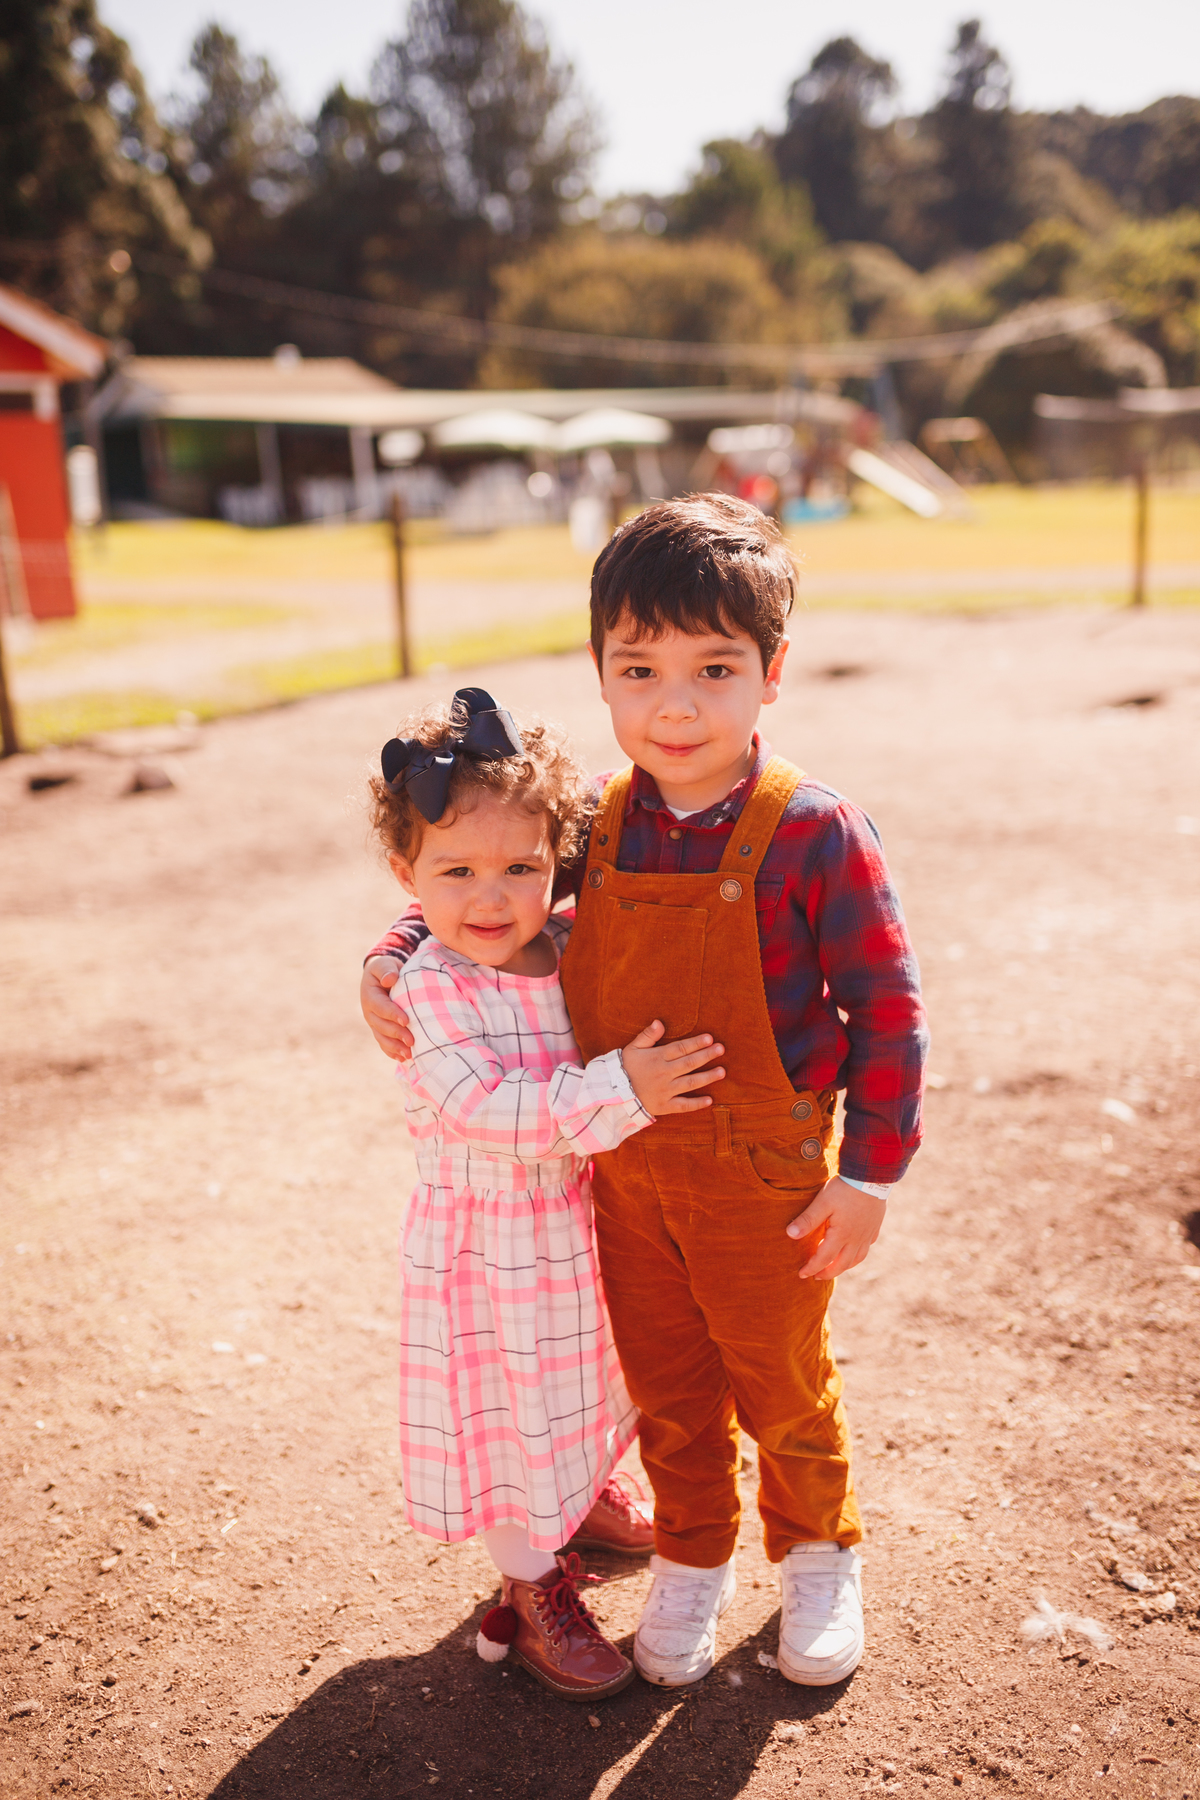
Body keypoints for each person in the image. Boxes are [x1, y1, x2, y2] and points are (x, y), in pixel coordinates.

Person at [362, 497, 928, 1690]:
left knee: (780, 1379)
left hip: (764, 1179)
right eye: (641, 670)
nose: (676, 706)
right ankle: (692, 1551)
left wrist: (870, 1175)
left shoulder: (817, 831)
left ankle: (819, 1551)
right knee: (668, 1385)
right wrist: (398, 947)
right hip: (623, 1180)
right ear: (601, 673)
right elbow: (484, 877)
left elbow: (887, 1009)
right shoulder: (599, 822)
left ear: (772, 672)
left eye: (715, 669)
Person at [368, 686, 727, 1702]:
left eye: (520, 869)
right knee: (507, 1413)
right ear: (407, 876)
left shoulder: (567, 946)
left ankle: (582, 1495)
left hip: (580, 1225)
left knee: (587, 1383)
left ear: (556, 866)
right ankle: (532, 1585)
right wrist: (626, 1088)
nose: (490, 898)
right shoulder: (432, 989)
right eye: (457, 872)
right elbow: (491, 1110)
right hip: (490, 1251)